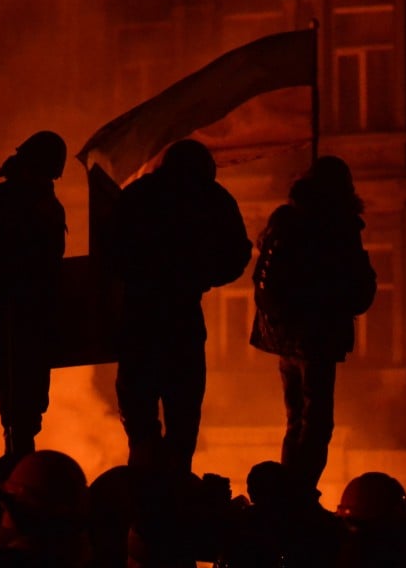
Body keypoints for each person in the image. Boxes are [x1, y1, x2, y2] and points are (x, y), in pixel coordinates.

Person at [107, 139, 251, 473]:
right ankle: (174, 487)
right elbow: (237, 254)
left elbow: (111, 251)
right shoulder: (211, 198)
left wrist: (140, 273)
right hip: (180, 315)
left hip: (140, 316)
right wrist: (201, 275)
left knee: (142, 419)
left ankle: (146, 484)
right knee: (181, 417)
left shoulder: (139, 196)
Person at [249, 155, 376, 491]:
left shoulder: (285, 220)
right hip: (317, 336)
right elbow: (359, 290)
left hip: (284, 338)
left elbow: (264, 277)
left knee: (295, 421)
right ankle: (299, 494)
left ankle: (289, 489)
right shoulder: (339, 227)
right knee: (317, 423)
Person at [0, 131, 68, 460]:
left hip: (24, 312)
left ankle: (19, 450)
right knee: (18, 393)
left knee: (23, 393)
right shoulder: (20, 203)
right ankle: (19, 453)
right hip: (12, 311)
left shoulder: (24, 202)